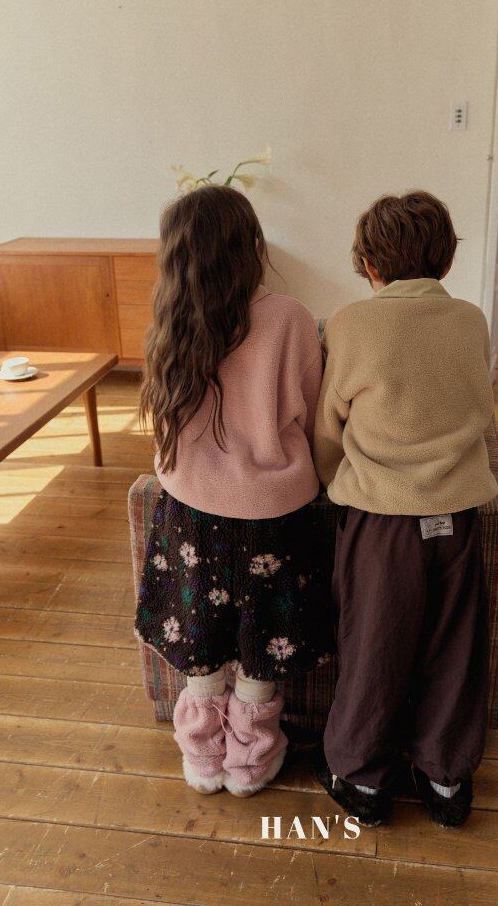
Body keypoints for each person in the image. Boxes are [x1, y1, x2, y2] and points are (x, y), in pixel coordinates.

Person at [136, 185, 330, 797]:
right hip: (275, 514)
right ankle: (249, 761)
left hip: (190, 513)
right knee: (263, 644)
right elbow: (312, 417)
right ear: (252, 246)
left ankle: (202, 757)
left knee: (199, 637)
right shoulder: (291, 317)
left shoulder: (170, 316)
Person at [313, 190, 498, 827]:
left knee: (374, 647)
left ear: (368, 263)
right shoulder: (471, 321)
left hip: (380, 522)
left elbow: (329, 428)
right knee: (455, 649)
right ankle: (446, 780)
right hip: (457, 518)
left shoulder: (349, 324)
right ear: (446, 261)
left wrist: (333, 485)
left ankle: (361, 778)